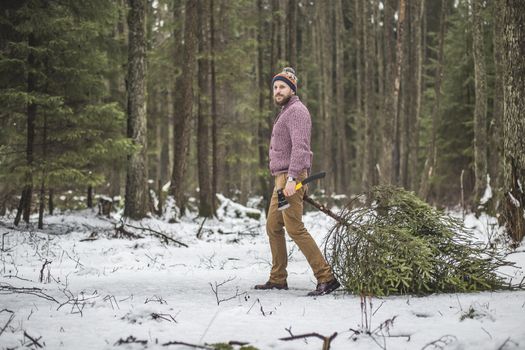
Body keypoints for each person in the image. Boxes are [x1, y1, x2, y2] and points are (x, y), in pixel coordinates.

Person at [254, 67, 340, 296]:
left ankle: (326, 277)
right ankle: (278, 278)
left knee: (295, 228)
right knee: (273, 226)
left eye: (282, 87)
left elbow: (301, 148)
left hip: (290, 179)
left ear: (292, 89)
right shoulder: (286, 111)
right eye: (275, 87)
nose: (278, 91)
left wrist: (292, 178)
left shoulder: (297, 112)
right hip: (281, 181)